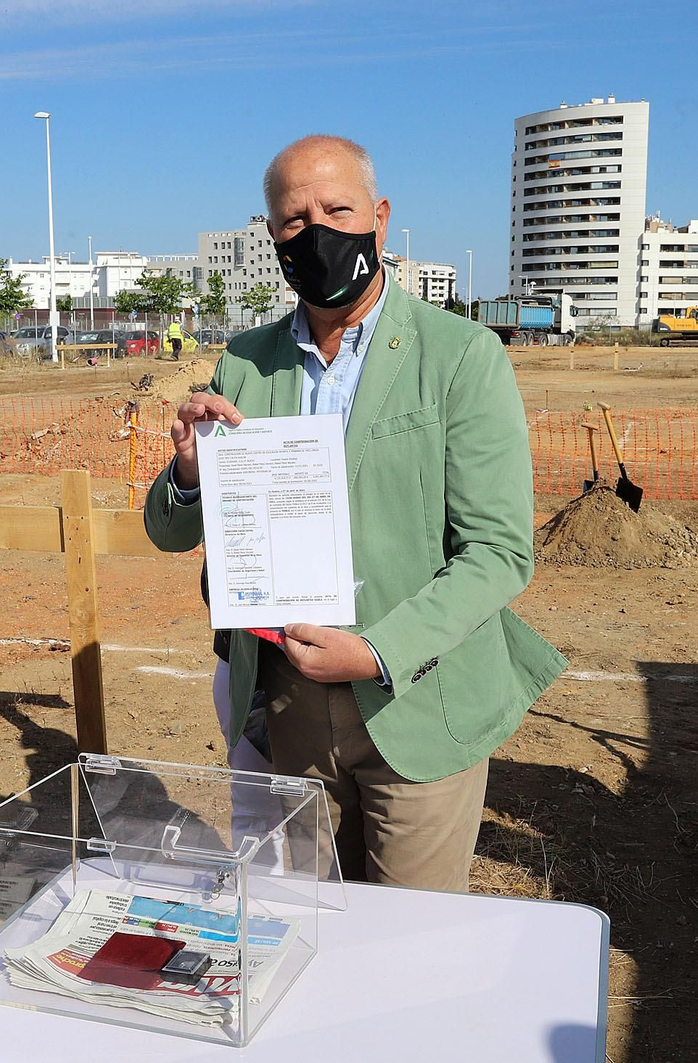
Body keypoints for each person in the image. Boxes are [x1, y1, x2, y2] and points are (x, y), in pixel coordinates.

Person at [144, 135, 567, 891]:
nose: (319, 232)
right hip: (285, 705)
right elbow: (169, 529)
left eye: (337, 209)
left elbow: (499, 552)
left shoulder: (462, 355)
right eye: (294, 219)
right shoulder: (245, 361)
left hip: (419, 696)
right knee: (290, 925)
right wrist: (188, 470)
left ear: (379, 217)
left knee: (408, 944)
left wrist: (375, 652)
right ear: (272, 237)